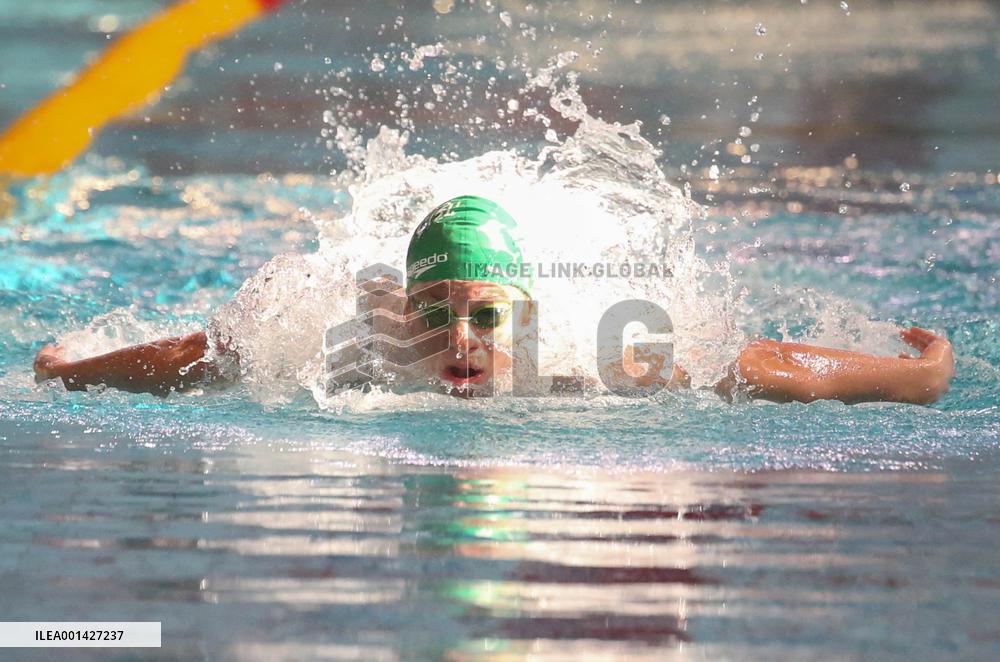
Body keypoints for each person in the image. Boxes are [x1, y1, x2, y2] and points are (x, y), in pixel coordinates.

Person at [32, 195, 955, 404]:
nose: (460, 337)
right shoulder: (350, 357)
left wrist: (917, 376)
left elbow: (761, 367)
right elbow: (200, 353)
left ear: (525, 313)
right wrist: (69, 370)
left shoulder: (578, 370)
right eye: (435, 312)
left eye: (485, 313)